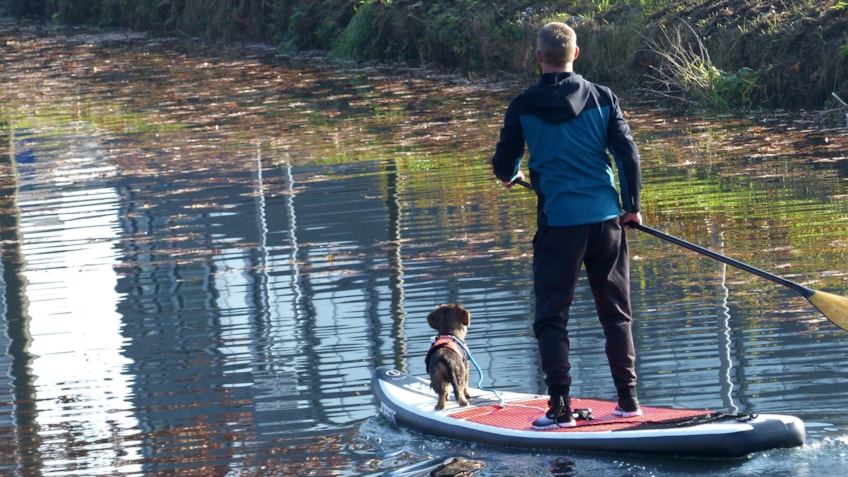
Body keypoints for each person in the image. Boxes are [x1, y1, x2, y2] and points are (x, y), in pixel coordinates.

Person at [491, 22, 643, 429]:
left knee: (551, 318)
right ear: (577, 54)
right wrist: (631, 207)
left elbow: (503, 164)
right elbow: (627, 156)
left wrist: (511, 174)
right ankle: (629, 403)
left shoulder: (522, 105)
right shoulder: (604, 97)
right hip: (606, 221)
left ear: (538, 57)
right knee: (616, 315)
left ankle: (560, 409)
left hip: (559, 225)